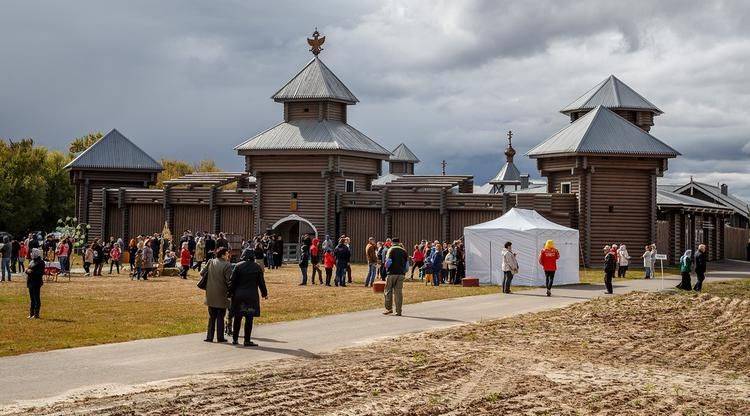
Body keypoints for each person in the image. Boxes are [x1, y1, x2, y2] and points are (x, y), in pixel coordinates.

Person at [228, 249, 268, 346]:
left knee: (238, 317)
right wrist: (264, 293)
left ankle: (235, 339)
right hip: (251, 295)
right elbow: (261, 282)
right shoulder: (257, 267)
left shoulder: (238, 266)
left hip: (239, 295)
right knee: (249, 318)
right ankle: (247, 340)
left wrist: (229, 293)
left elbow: (232, 281)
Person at [201, 248, 232, 343]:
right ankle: (220, 337)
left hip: (210, 293)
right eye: (227, 254)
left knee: (211, 317)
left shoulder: (211, 261)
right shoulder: (227, 265)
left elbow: (202, 273)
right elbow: (229, 281)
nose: (228, 256)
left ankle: (209, 337)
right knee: (220, 317)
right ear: (223, 255)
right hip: (222, 294)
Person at [383, 238, 408, 316]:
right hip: (401, 274)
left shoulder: (390, 250)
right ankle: (398, 311)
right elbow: (407, 266)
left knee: (388, 291)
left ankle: (389, 308)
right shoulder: (404, 251)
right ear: (399, 242)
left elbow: (388, 262)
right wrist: (403, 272)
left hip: (391, 273)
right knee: (398, 293)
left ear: (392, 243)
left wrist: (386, 268)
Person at [25, 248, 45, 318]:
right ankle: (31, 313)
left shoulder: (41, 262)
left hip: (36, 282)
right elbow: (28, 269)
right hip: (30, 282)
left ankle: (36, 314)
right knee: (32, 299)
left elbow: (41, 273)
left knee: (36, 298)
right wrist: (27, 270)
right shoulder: (32, 261)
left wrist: (31, 271)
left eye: (32, 253)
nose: (31, 254)